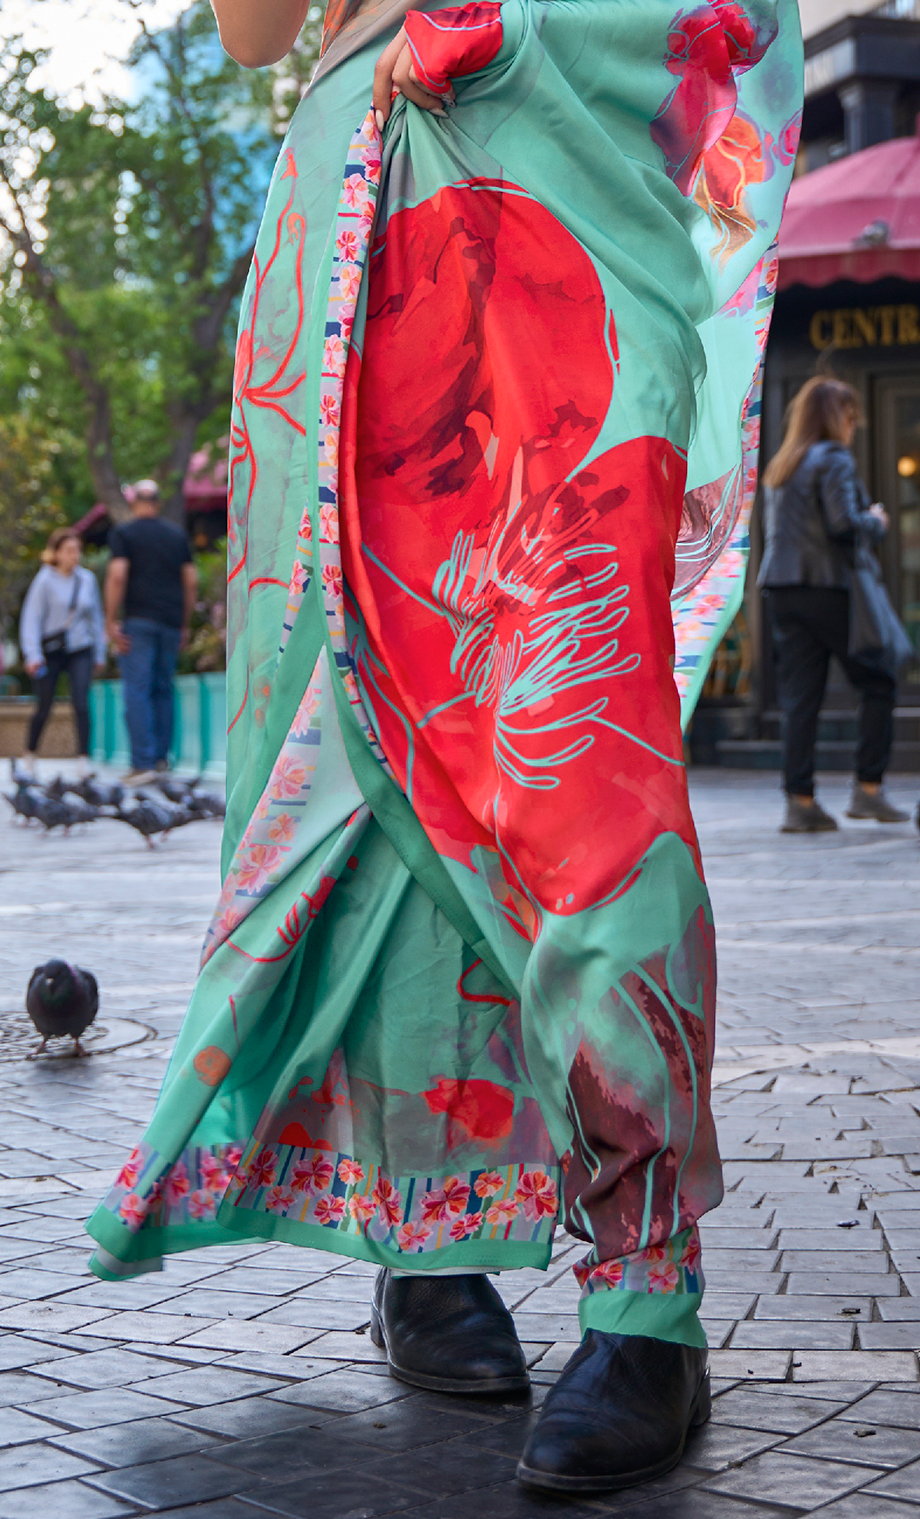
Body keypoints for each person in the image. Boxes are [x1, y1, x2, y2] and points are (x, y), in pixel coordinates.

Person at [87, 0, 802, 1494]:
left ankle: (644, 1294)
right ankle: (428, 1226)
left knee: (582, 742)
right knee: (351, 727)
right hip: (358, 191)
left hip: (594, 135)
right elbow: (247, 25)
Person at [759, 377, 909, 833]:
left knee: (801, 698)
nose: (854, 428)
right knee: (879, 680)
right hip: (828, 588)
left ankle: (799, 801)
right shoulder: (834, 459)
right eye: (850, 418)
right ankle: (868, 790)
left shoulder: (782, 466)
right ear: (835, 417)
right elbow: (844, 525)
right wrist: (877, 521)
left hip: (782, 590)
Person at [104, 479, 197, 784]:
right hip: (170, 622)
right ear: (157, 502)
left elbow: (117, 576)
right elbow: (191, 582)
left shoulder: (124, 533)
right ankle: (160, 760)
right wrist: (183, 624)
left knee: (138, 689)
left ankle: (142, 763)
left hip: (139, 621)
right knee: (163, 689)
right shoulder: (177, 535)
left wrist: (110, 621)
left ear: (134, 503)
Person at [19, 528, 105, 778]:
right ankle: (30, 754)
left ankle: (83, 759)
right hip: (52, 651)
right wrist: (32, 654)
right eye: (69, 550)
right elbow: (31, 619)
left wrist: (99, 653)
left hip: (81, 648)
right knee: (44, 705)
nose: (74, 555)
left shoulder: (86, 579)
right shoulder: (44, 580)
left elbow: (96, 618)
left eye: (77, 550)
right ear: (56, 553)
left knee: (81, 702)